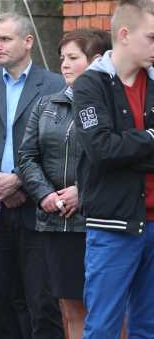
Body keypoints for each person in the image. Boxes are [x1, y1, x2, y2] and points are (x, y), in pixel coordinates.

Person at [0, 12, 65, 339]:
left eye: (4, 39)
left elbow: (58, 145)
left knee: (43, 302)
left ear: (28, 41)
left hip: (38, 205)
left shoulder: (54, 84)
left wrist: (20, 178)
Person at [18, 28, 111, 339]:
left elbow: (119, 159)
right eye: (62, 58)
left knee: (107, 306)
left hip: (98, 220)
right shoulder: (46, 104)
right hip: (55, 222)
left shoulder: (111, 106)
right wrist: (44, 194)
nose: (65, 65)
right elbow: (27, 156)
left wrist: (81, 192)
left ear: (96, 60)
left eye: (73, 57)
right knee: (68, 306)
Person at [72, 0, 154, 338]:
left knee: (147, 326)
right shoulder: (90, 84)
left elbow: (115, 147)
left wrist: (133, 144)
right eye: (151, 37)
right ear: (124, 34)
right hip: (112, 224)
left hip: (153, 223)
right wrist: (151, 137)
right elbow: (101, 149)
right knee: (103, 325)